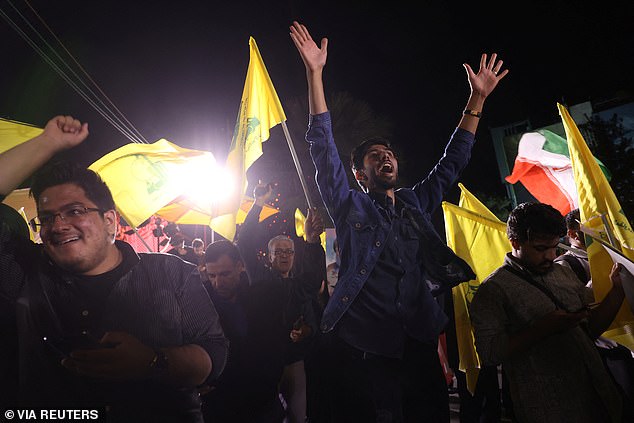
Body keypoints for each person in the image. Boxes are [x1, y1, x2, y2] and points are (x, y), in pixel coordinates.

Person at [290, 20, 507, 422]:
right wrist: (314, 73)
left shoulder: (415, 202)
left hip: (418, 342)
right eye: (374, 156)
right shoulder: (348, 203)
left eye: (387, 154)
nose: (384, 158)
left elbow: (452, 162)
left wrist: (476, 100)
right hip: (365, 350)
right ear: (360, 174)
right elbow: (322, 149)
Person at [0, 115, 228, 422]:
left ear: (110, 221)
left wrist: (153, 361)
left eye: (74, 211)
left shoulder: (172, 273)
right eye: (48, 217)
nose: (58, 225)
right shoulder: (24, 272)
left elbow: (213, 354)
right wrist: (47, 143)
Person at [470, 202, 626, 423]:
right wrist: (542, 329)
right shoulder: (493, 290)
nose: (551, 256)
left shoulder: (562, 272)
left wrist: (617, 291)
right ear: (515, 242)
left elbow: (589, 330)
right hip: (548, 406)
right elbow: (490, 354)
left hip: (600, 396)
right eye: (541, 249)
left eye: (555, 246)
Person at [237, 182, 325, 423]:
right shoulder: (259, 277)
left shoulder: (299, 286)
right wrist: (258, 204)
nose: (285, 255)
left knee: (298, 416)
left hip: (294, 361)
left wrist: (311, 240)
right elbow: (244, 241)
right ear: (269, 257)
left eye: (289, 251)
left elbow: (314, 278)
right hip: (265, 361)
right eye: (279, 252)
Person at [555, 208, 634, 414]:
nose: (600, 234)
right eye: (592, 229)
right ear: (573, 234)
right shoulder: (566, 265)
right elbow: (579, 312)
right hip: (609, 352)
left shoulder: (612, 253)